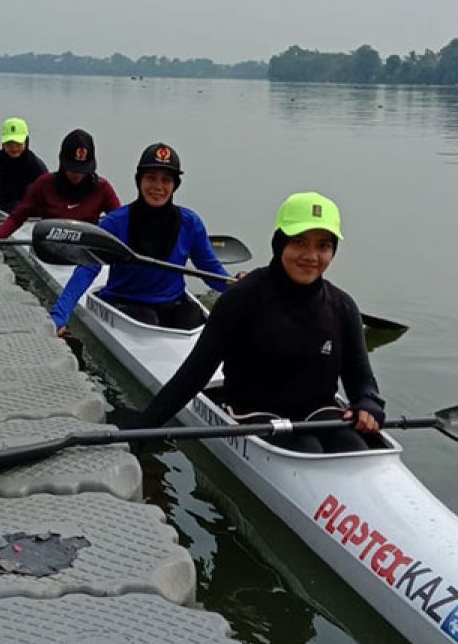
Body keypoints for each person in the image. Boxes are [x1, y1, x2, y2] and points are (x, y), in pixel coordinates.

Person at [134, 191, 385, 454]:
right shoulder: (241, 298)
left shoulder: (343, 306)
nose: (311, 256)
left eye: (323, 245)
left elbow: (361, 380)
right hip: (252, 414)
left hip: (319, 413)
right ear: (280, 244)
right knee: (307, 446)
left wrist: (368, 404)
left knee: (353, 444)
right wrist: (141, 430)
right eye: (299, 242)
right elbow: (194, 375)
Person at [49, 142, 229, 336]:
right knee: (147, 317)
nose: (158, 187)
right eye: (151, 178)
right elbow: (87, 269)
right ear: (139, 181)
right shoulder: (115, 223)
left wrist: (239, 285)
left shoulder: (191, 223)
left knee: (192, 315)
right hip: (125, 304)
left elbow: (211, 271)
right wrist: (59, 316)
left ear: (174, 185)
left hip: (173, 304)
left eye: (166, 180)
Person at [0, 129, 120, 239]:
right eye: (72, 168)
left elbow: (121, 223)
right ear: (62, 162)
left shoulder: (103, 188)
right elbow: (16, 218)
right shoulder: (43, 184)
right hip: (50, 252)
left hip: (87, 254)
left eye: (82, 170)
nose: (77, 174)